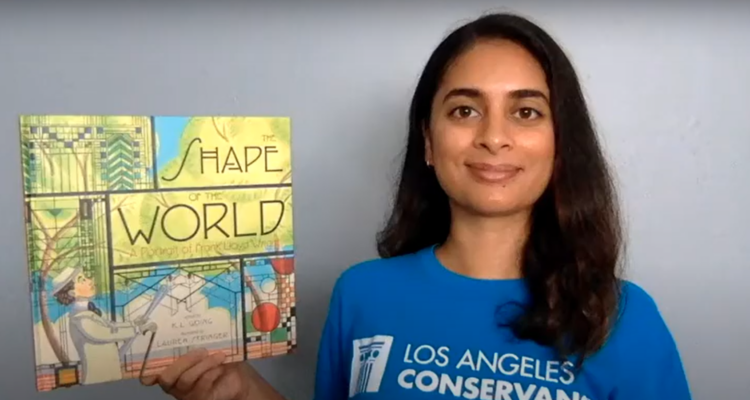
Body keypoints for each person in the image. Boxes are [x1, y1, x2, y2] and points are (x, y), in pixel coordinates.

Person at [141, 12, 692, 400]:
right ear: (428, 142)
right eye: (463, 111)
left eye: (526, 112)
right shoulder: (362, 294)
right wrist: (237, 391)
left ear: (560, 143)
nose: (494, 138)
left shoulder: (622, 317)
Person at [51, 266, 158, 385]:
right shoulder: (79, 319)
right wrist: (138, 329)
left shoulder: (88, 313)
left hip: (108, 374)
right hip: (97, 378)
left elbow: (111, 326)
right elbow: (105, 334)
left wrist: (134, 323)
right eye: (82, 280)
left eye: (86, 277)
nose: (90, 280)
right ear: (72, 292)